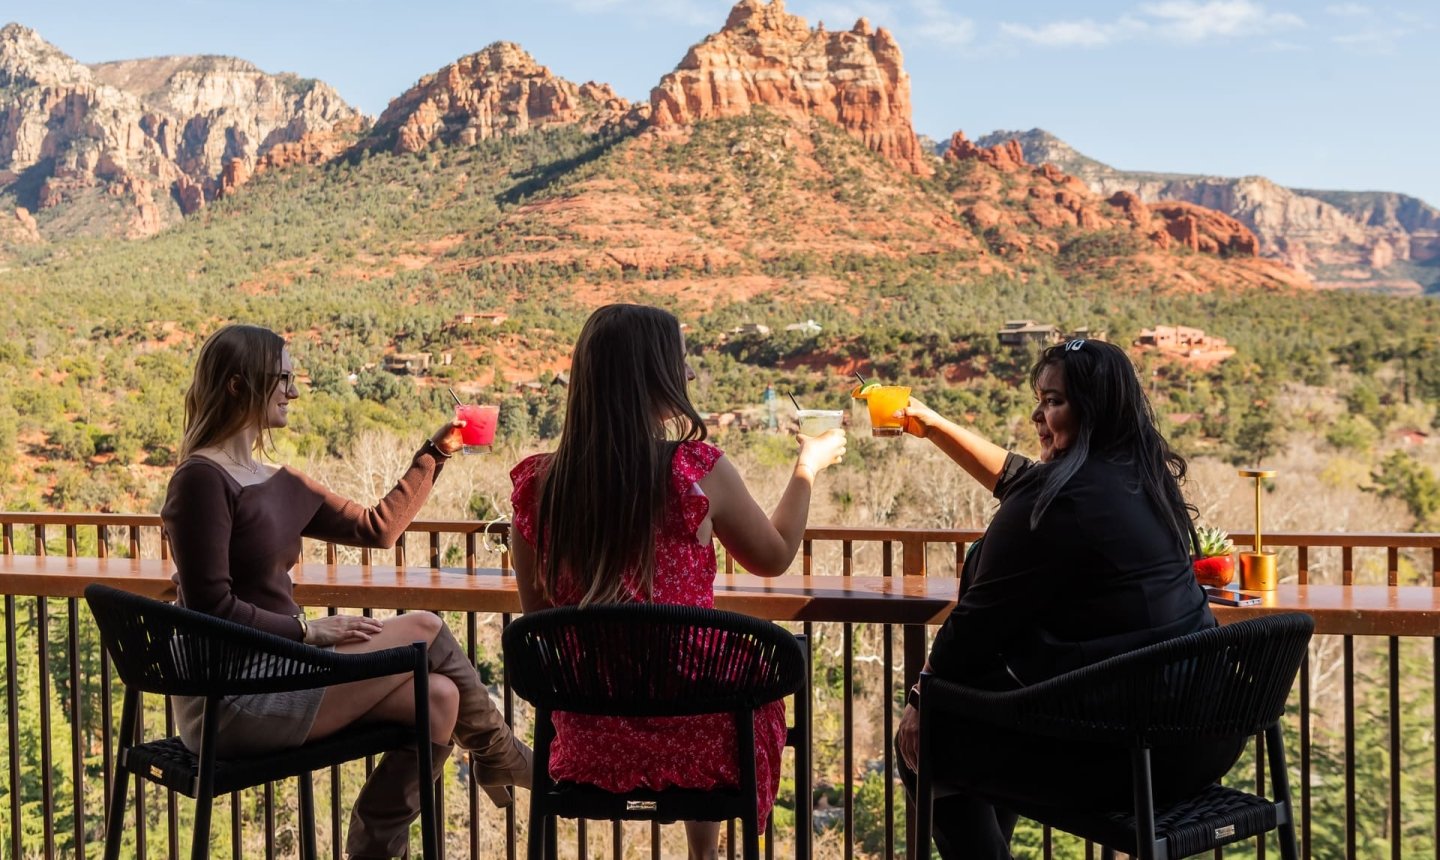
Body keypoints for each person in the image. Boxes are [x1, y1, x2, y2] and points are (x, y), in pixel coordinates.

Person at [160, 323, 531, 860]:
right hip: (232, 696)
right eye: (281, 378)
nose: (293, 390)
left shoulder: (280, 481)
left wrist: (439, 449)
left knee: (441, 699)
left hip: (288, 668)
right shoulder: (200, 481)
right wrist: (309, 631)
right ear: (240, 386)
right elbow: (210, 608)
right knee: (424, 625)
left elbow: (377, 528)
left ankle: (374, 850)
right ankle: (502, 754)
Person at [507, 304, 847, 860]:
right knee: (732, 685)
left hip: (591, 744)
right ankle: (704, 855)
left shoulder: (537, 489)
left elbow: (543, 629)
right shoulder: (696, 469)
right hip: (708, 743)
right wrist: (807, 467)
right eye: (680, 363)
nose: (688, 376)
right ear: (656, 376)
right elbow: (776, 555)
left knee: (693, 680)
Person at [892, 338, 1235, 859]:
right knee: (987, 721)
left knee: (927, 745)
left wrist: (921, 697)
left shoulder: (1055, 501)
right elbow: (1024, 480)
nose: (1036, 415)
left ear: (1093, 410)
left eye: (1052, 402)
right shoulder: (1142, 479)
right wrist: (936, 425)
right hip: (1206, 742)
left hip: (1135, 757)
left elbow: (975, 628)